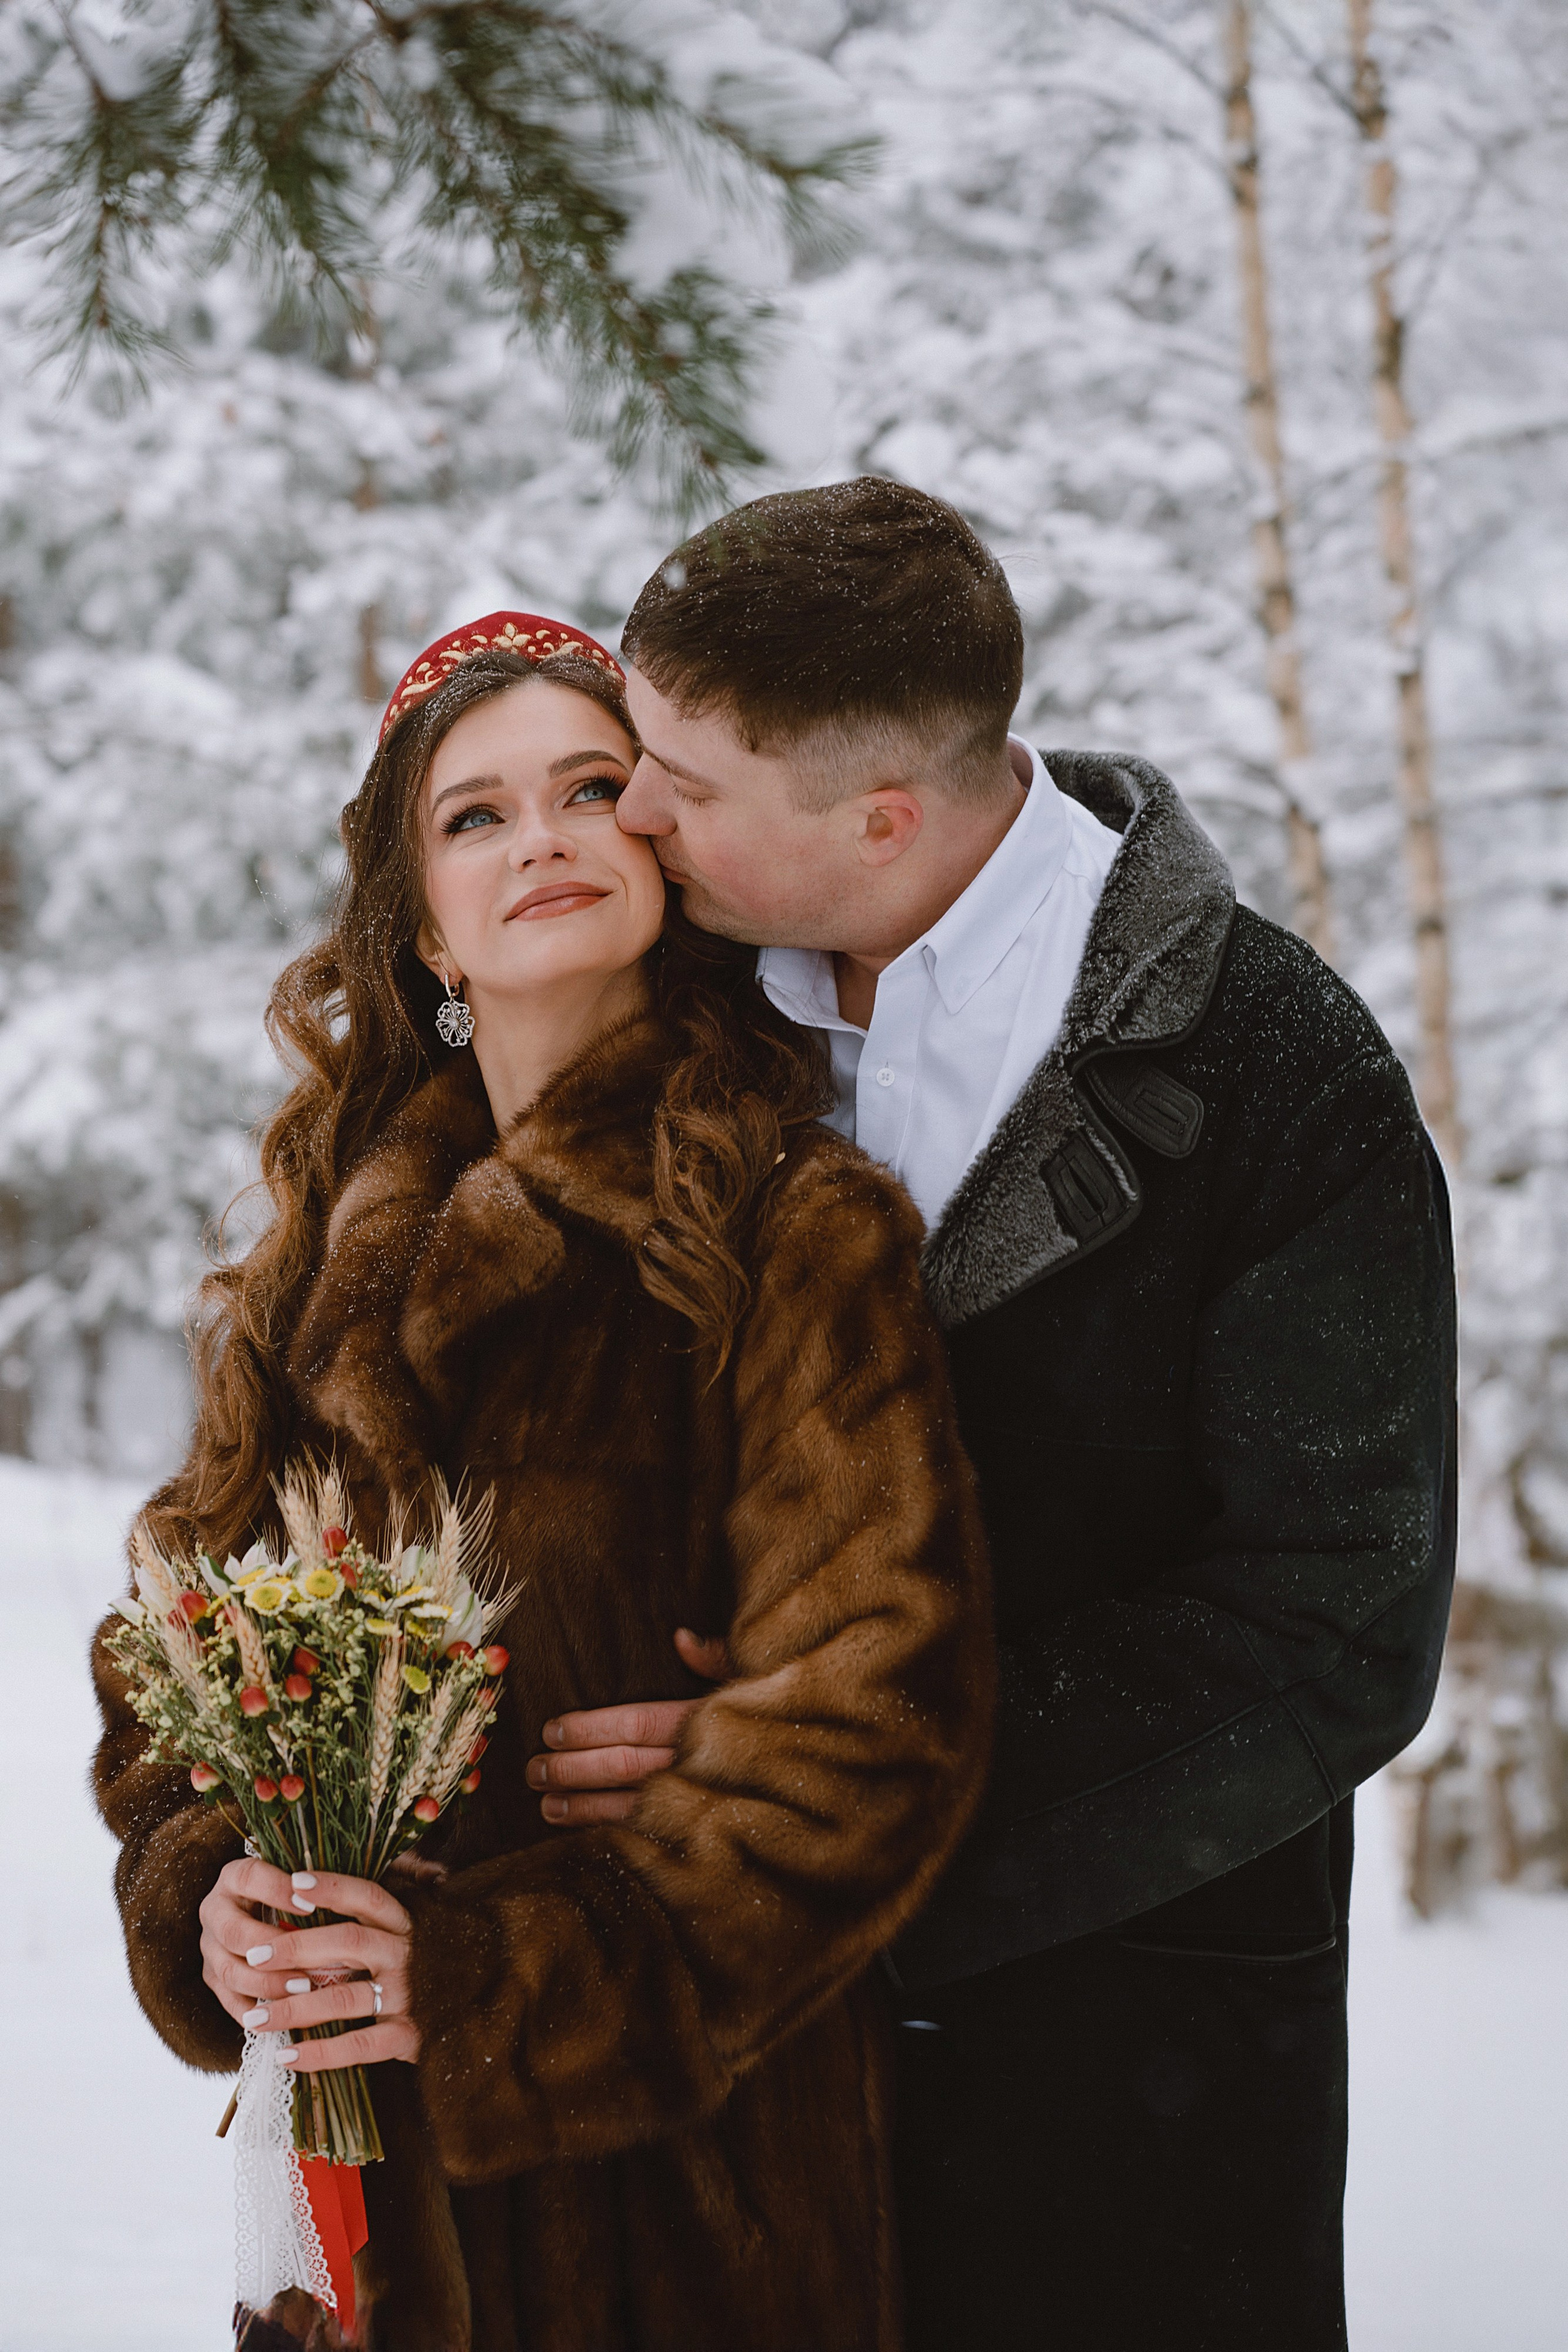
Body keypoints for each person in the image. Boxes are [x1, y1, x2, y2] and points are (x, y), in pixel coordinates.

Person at [527, 480, 1459, 2351]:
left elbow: (1336, 1626)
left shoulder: (1282, 1073)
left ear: (881, 817)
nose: (629, 814)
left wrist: (823, 1803)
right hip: (699, 2108)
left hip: (1119, 2084)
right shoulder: (662, 998)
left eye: (682, 785)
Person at [91, 611, 993, 2352]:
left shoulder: (789, 1225)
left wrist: (499, 1984)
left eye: (593, 788)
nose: (547, 838)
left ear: (662, 845)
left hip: (691, 2188)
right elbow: (167, 1676)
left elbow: (874, 1726)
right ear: (419, 918)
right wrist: (210, 1889)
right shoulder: (315, 1277)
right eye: (476, 817)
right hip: (358, 2208)